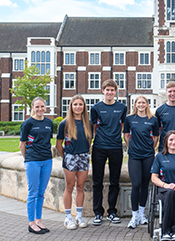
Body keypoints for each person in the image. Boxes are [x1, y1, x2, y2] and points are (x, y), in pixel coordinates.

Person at [90, 79, 127, 225]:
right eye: (107, 90)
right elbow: (93, 128)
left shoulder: (122, 107)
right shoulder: (96, 108)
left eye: (112, 90)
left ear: (115, 91)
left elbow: (123, 125)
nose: (110, 92)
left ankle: (112, 211)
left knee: (114, 181)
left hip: (116, 147)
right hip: (99, 147)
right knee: (97, 181)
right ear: (103, 91)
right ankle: (98, 212)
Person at [56, 95, 92, 230]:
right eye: (75, 104)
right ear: (71, 106)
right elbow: (58, 145)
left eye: (80, 104)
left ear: (84, 107)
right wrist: (65, 157)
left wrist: (85, 153)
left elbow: (89, 141)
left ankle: (79, 216)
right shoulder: (64, 124)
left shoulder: (87, 123)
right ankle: (68, 217)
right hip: (70, 157)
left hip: (83, 156)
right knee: (69, 187)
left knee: (81, 186)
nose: (78, 107)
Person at [123, 96, 159, 229]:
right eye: (139, 102)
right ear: (135, 104)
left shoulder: (153, 119)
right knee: (136, 184)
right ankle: (134, 215)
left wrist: (151, 148)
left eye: (143, 102)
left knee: (145, 184)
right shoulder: (129, 118)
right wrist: (131, 147)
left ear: (147, 104)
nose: (141, 105)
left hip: (148, 155)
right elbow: (126, 135)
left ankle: (142, 214)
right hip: (134, 155)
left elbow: (156, 137)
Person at [19, 97, 53, 234]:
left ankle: (39, 221)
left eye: (42, 106)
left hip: (47, 160)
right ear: (32, 107)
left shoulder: (49, 123)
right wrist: (27, 159)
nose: (40, 109)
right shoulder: (27, 124)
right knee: (33, 192)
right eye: (37, 107)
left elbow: (47, 140)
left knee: (41, 192)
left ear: (45, 107)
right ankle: (31, 223)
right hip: (33, 160)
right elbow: (22, 145)